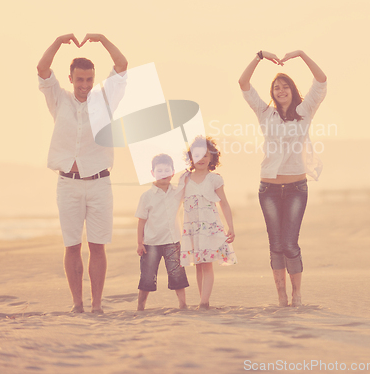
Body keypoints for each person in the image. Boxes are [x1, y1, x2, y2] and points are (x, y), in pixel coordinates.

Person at [37, 33, 127, 314]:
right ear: (71, 78)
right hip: (68, 184)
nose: (85, 85)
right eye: (80, 80)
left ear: (93, 79)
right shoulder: (58, 99)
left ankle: (97, 305)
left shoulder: (105, 99)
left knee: (98, 246)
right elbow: (41, 69)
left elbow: (122, 64)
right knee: (72, 246)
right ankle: (78, 304)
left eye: (89, 80)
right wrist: (57, 42)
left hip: (100, 183)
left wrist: (102, 40)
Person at [238, 50, 327, 307]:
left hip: (297, 187)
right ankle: (281, 295)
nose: (281, 90)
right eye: (276, 87)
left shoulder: (306, 109)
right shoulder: (265, 113)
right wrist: (258, 57)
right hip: (269, 189)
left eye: (285, 86)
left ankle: (297, 294)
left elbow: (321, 80)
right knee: (275, 244)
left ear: (292, 89)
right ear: (273, 93)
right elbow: (243, 84)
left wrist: (300, 55)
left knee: (290, 243)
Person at [181, 136, 236, 310]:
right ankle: (202, 298)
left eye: (205, 155)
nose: (201, 159)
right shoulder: (185, 178)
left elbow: (224, 203)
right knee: (198, 264)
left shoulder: (214, 179)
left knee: (207, 264)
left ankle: (204, 302)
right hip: (192, 228)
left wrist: (231, 226)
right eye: (197, 155)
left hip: (209, 227)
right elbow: (174, 202)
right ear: (191, 158)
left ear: (212, 158)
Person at [135, 154, 189, 311]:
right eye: (159, 171)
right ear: (152, 173)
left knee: (177, 274)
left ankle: (183, 304)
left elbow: (188, 178)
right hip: (151, 243)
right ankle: (140, 306)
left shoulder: (177, 192)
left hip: (172, 242)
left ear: (173, 172)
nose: (163, 174)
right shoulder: (146, 196)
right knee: (147, 275)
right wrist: (139, 243)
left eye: (167, 170)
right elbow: (141, 221)